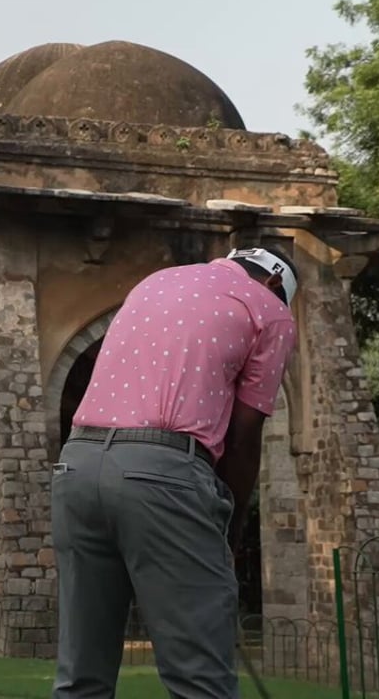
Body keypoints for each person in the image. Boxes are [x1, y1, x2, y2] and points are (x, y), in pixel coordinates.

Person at [51, 246, 299, 699]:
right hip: (163, 473)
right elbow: (243, 440)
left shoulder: (157, 282)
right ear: (274, 284)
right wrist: (233, 526)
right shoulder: (271, 310)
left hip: (77, 465)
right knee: (199, 681)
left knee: (80, 680)